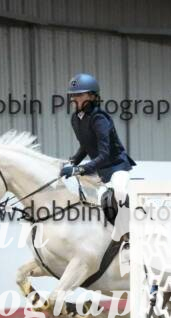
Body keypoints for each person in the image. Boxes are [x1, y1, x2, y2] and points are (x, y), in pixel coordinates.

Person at [59, 73, 134, 240]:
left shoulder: (99, 118)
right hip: (100, 170)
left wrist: (79, 169)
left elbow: (104, 154)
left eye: (79, 95)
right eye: (73, 95)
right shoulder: (75, 119)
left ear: (92, 96)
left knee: (119, 192)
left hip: (116, 166)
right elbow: (85, 146)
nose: (74, 99)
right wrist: (72, 162)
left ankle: (129, 232)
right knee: (97, 201)